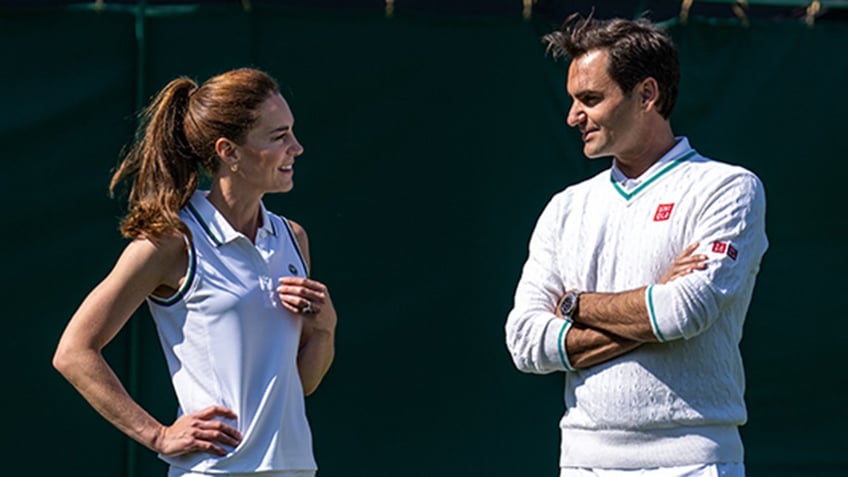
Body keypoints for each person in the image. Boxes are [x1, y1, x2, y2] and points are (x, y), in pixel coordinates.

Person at [504, 14, 768, 477]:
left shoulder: (729, 188)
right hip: (583, 464)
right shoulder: (565, 208)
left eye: (590, 99)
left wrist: (572, 304)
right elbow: (526, 343)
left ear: (646, 94)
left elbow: (682, 312)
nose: (573, 116)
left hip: (696, 463)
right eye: (572, 101)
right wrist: (650, 303)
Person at [53, 67, 337, 477]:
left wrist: (326, 328)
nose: (297, 147)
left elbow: (302, 383)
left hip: (295, 469)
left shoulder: (292, 238)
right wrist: (158, 436)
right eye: (278, 136)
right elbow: (74, 352)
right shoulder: (171, 243)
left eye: (291, 131)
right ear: (229, 152)